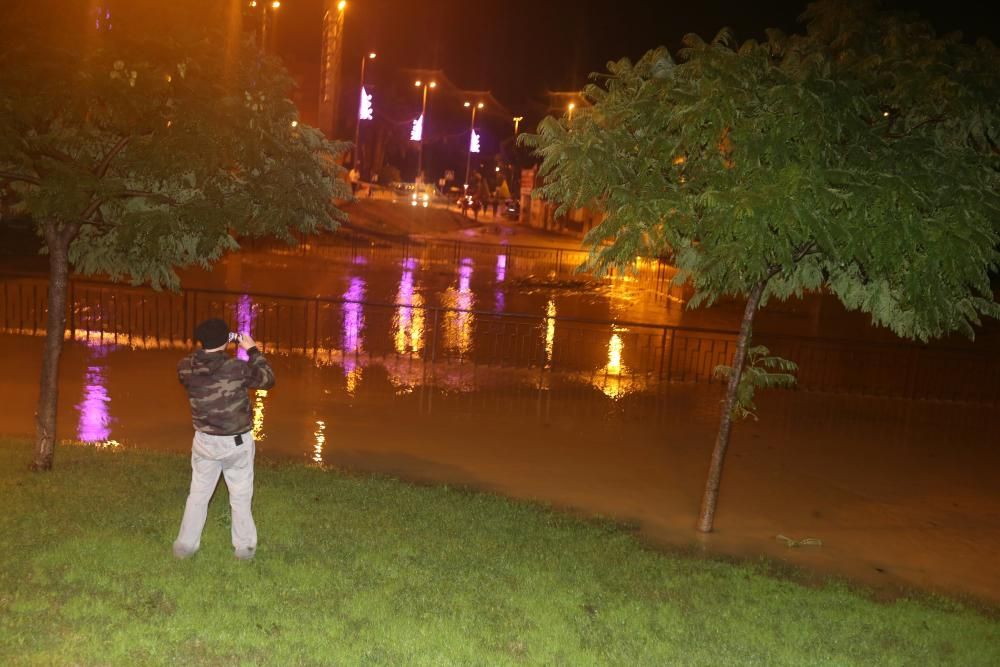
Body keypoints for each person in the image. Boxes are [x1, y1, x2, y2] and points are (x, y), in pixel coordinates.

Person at [173, 318, 275, 561]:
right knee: (240, 496)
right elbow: (268, 379)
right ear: (226, 341)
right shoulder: (236, 368)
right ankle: (244, 549)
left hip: (205, 441)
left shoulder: (184, 366)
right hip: (236, 443)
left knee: (198, 494)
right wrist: (252, 350)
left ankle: (184, 547)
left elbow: (202, 364)